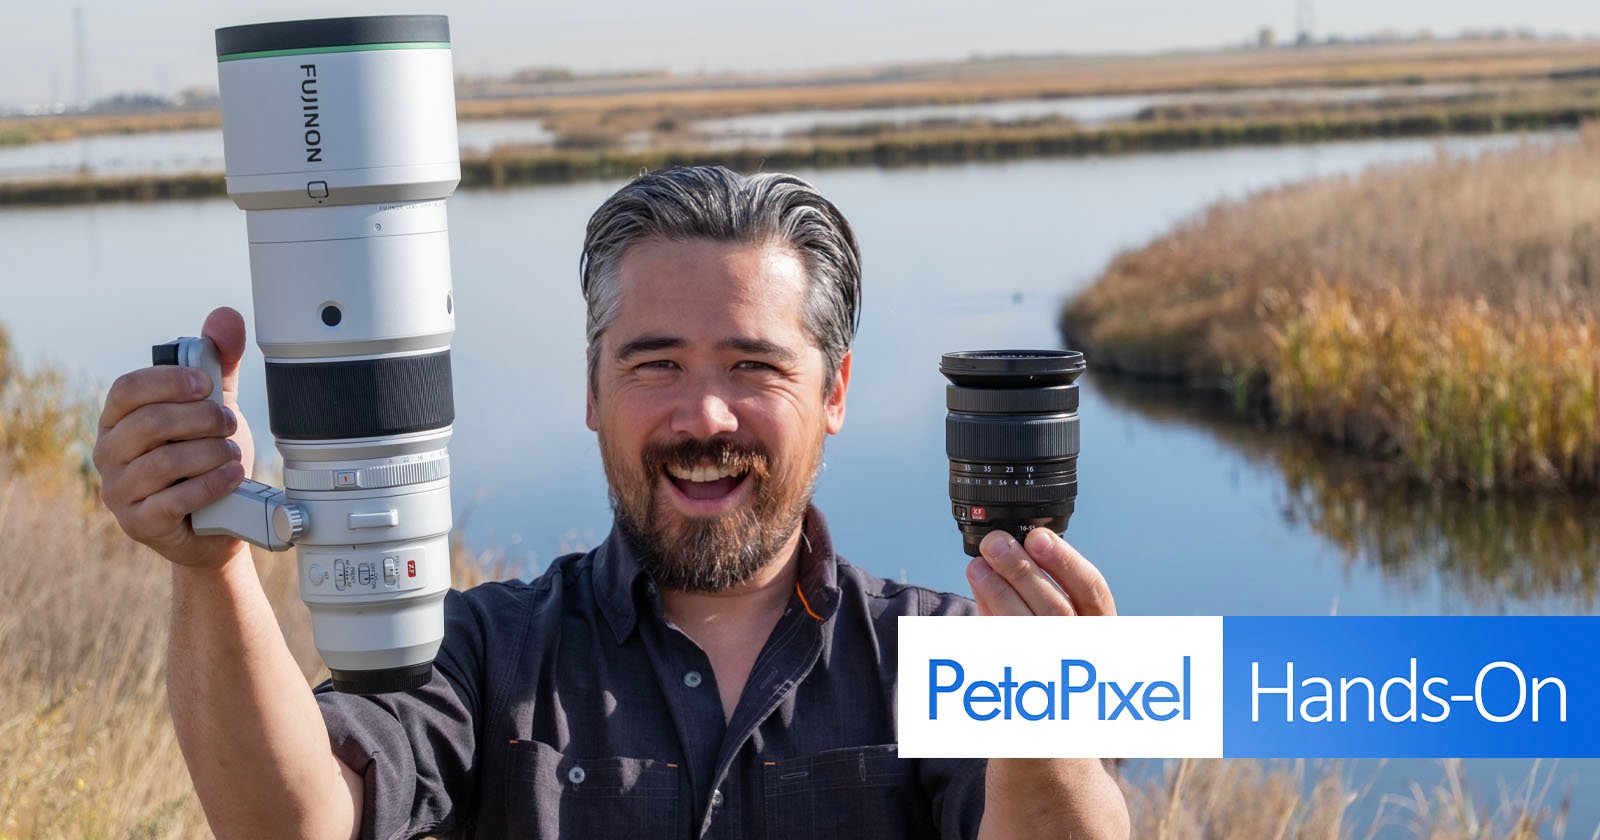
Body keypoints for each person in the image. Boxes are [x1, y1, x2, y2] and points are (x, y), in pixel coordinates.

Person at [93, 165, 1130, 839]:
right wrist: (212, 563)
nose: (704, 412)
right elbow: (292, 823)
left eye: (753, 364)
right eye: (656, 363)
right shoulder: (482, 653)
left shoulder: (947, 653)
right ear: (591, 391)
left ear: (834, 393)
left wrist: (1047, 708)